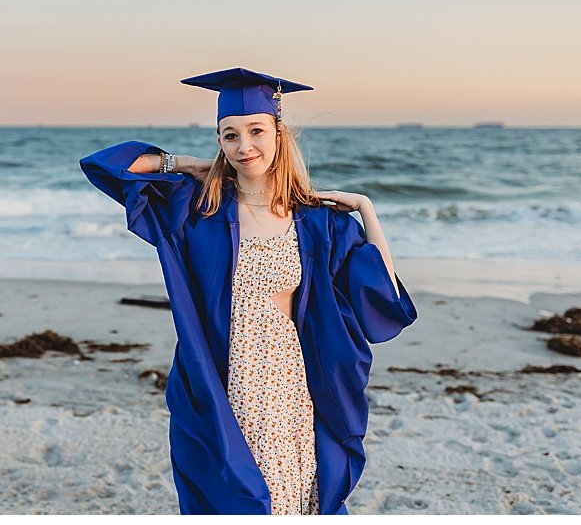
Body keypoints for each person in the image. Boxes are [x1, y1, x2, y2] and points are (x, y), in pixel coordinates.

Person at [81, 66, 415, 515]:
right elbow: (105, 166)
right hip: (222, 379)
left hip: (289, 384)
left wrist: (366, 210)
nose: (244, 146)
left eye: (256, 131)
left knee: (290, 499)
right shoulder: (198, 209)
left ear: (279, 134)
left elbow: (384, 296)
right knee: (242, 496)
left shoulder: (318, 223)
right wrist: (185, 165)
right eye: (229, 136)